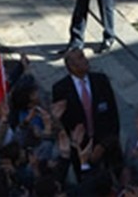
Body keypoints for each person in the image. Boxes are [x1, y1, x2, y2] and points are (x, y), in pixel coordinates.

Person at [52, 48, 122, 180]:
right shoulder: (61, 89)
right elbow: (62, 124)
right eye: (81, 58)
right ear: (71, 66)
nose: (86, 60)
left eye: (83, 56)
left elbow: (113, 116)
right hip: (81, 148)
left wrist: (103, 144)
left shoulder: (101, 81)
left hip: (106, 144)